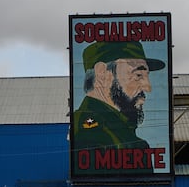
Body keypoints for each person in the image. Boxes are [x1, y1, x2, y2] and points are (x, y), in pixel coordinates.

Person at [71, 40, 166, 175]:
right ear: (102, 73)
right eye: (138, 75)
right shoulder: (90, 135)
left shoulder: (123, 134)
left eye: (146, 77)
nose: (148, 87)